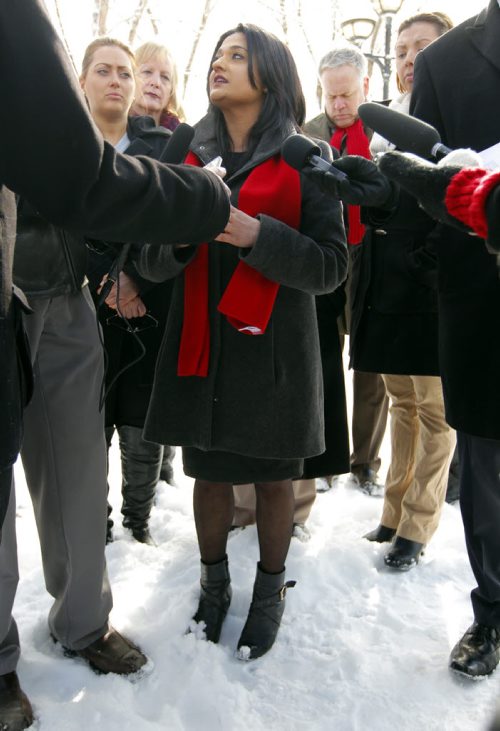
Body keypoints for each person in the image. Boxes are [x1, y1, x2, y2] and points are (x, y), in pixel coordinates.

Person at [0, 1, 229, 727]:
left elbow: (90, 190)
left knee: (75, 467)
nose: (116, 82)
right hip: (4, 295)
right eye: (102, 70)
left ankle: (83, 621)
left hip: (66, 300)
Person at [134, 22, 348, 660]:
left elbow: (332, 265)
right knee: (210, 474)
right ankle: (214, 582)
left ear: (271, 76)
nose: (218, 65)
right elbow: (147, 254)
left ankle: (269, 593)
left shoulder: (306, 156)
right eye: (218, 55)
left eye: (237, 56)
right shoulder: (184, 147)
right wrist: (179, 239)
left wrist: (258, 238)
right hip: (203, 346)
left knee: (275, 478)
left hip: (277, 353)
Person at [343, 0, 500, 680]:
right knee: (489, 478)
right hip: (483, 303)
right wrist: (377, 195)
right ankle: (493, 610)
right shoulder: (448, 60)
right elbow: (421, 190)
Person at [352, 12, 456, 571]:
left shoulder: (457, 114)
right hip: (385, 280)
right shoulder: (386, 122)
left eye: (423, 47)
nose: (410, 57)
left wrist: (429, 262)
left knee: (436, 412)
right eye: (402, 48)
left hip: (433, 282)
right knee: (402, 402)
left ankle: (418, 525)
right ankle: (392, 513)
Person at [82, 38, 174, 545]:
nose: (116, 80)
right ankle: (93, 521)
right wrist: (105, 277)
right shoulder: (65, 149)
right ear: (83, 82)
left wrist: (134, 276)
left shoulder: (159, 149)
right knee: (89, 420)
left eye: (124, 72)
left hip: (146, 305)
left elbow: (169, 224)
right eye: (104, 71)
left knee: (140, 417)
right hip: (79, 307)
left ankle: (139, 521)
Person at [304, 46, 389, 497]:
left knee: (370, 363)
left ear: (366, 88)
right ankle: (324, 454)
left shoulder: (385, 131)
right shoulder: (307, 133)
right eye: (330, 95)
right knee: (321, 356)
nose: (338, 104)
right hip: (327, 255)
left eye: (347, 94)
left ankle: (365, 462)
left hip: (373, 255)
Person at [132, 41, 185, 131]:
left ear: (172, 91)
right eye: (147, 72)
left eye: (165, 77)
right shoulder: (106, 126)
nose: (156, 83)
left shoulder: (181, 139)